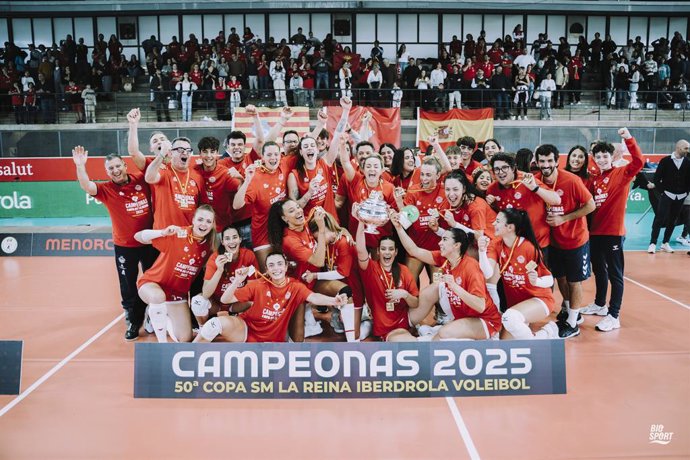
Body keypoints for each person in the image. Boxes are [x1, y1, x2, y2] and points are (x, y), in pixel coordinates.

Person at [72, 146, 158, 341]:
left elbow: (145, 162)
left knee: (152, 280)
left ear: (125, 165)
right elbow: (87, 186)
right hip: (125, 247)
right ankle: (132, 318)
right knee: (128, 284)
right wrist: (80, 166)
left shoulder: (141, 180)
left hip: (149, 243)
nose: (115, 170)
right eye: (111, 169)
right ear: (107, 172)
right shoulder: (105, 190)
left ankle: (152, 314)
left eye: (118, 166)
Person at [194, 252, 347, 343]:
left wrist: (333, 301)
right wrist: (236, 282)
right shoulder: (258, 284)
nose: (276, 268)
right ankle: (187, 354)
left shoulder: (295, 286)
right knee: (213, 325)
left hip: (274, 339)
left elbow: (314, 297)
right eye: (271, 265)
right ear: (266, 269)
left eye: (280, 264)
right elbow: (225, 300)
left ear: (286, 267)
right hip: (247, 329)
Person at [393, 217, 501, 341]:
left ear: (456, 245)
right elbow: (414, 250)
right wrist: (399, 228)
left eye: (444, 239)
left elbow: (480, 306)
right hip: (463, 315)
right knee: (435, 288)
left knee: (443, 333)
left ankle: (435, 335)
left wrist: (455, 286)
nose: (439, 243)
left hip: (485, 321)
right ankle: (406, 322)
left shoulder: (471, 267)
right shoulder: (446, 259)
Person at [581, 128, 644, 332]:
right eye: (597, 156)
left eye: (605, 156)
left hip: (613, 233)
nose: (601, 159)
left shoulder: (622, 173)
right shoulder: (595, 180)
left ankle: (613, 315)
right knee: (599, 271)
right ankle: (600, 304)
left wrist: (628, 138)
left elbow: (639, 162)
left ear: (612, 157)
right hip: (595, 233)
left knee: (615, 275)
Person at [534, 144, 596, 338]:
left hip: (575, 239)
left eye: (549, 160)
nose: (546, 165)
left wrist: (564, 219)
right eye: (542, 161)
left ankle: (573, 322)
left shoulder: (571, 180)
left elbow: (591, 205)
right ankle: (570, 312)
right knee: (560, 277)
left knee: (574, 281)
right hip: (553, 242)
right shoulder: (535, 182)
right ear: (536, 162)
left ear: (556, 161)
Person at [135, 205, 217, 343]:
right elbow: (138, 237)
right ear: (193, 220)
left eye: (208, 221)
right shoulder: (179, 234)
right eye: (200, 219)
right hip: (153, 284)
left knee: (185, 338)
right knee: (157, 297)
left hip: (177, 294)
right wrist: (162, 232)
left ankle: (158, 313)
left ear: (213, 225)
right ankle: (162, 342)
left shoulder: (210, 246)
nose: (204, 224)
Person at [478, 209, 559, 339]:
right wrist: (482, 251)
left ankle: (548, 333)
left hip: (539, 300)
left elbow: (549, 279)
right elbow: (487, 274)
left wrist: (536, 281)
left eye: (498, 221)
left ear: (510, 227)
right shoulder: (496, 244)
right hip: (516, 306)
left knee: (509, 318)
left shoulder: (528, 248)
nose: (493, 224)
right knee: (506, 345)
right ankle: (544, 334)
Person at [356, 218, 420, 341]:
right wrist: (360, 222)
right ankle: (425, 337)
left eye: (391, 249)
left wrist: (404, 294)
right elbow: (360, 250)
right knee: (409, 341)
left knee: (434, 289)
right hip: (386, 328)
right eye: (383, 249)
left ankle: (432, 326)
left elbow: (415, 303)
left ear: (395, 252)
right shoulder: (370, 268)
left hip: (405, 318)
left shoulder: (404, 270)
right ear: (378, 252)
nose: (387, 252)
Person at [486, 152, 561, 253]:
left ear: (513, 168)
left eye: (504, 167)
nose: (500, 172)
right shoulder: (492, 189)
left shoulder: (527, 180)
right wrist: (492, 204)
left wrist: (535, 188)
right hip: (512, 244)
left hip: (537, 242)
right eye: (497, 169)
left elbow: (556, 200)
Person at [233, 142, 289, 270]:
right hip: (263, 234)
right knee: (268, 274)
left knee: (285, 273)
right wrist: (247, 180)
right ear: (262, 157)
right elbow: (236, 205)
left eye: (276, 154)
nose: (273, 157)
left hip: (283, 233)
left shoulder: (284, 164)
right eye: (269, 154)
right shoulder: (256, 177)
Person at [195, 226, 259, 325]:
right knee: (197, 301)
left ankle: (243, 325)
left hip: (236, 302)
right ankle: (202, 328)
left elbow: (252, 290)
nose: (231, 241)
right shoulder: (215, 258)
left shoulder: (248, 255)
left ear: (240, 239)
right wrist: (219, 270)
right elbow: (206, 293)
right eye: (227, 239)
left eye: (234, 237)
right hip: (215, 304)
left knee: (257, 301)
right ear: (223, 242)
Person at [145, 136, 205, 229]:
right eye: (180, 149)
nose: (185, 152)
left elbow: (202, 208)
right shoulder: (163, 170)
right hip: (164, 236)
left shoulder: (198, 177)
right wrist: (162, 154)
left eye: (188, 150)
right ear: (171, 152)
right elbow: (149, 178)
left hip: (188, 235)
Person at [648, 139, 690, 254]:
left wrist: (686, 192)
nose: (688, 150)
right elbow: (657, 178)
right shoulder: (665, 161)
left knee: (673, 220)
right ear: (678, 148)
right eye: (686, 148)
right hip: (667, 195)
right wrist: (663, 192)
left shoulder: (688, 162)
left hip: (681, 196)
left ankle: (665, 243)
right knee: (659, 219)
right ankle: (652, 243)